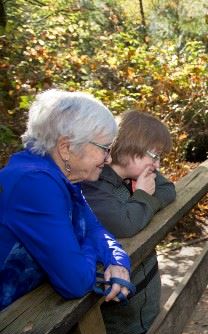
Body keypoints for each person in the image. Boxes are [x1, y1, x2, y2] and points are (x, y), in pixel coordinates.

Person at [0, 89, 132, 311]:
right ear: (66, 147)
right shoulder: (34, 183)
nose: (109, 159)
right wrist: (86, 244)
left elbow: (95, 229)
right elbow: (76, 282)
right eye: (104, 149)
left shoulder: (60, 176)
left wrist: (117, 261)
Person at [81, 110, 176, 334]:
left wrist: (143, 199)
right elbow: (125, 224)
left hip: (145, 298)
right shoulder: (93, 183)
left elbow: (168, 189)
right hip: (110, 309)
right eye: (154, 156)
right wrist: (144, 195)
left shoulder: (140, 175)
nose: (157, 165)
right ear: (129, 147)